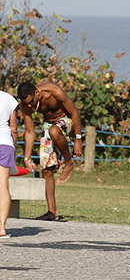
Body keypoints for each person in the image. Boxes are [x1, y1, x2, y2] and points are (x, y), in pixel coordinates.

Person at [17, 81, 82, 221]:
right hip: (49, 125)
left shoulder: (54, 91)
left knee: (54, 130)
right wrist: (27, 157)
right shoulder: (25, 105)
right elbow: (29, 131)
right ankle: (52, 212)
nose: (29, 105)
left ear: (36, 93)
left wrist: (78, 138)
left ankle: (69, 162)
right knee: (46, 169)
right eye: (26, 103)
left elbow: (74, 112)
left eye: (31, 101)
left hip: (67, 120)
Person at [0, 89, 18, 237]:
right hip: (5, 144)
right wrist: (15, 146)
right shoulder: (9, 99)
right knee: (3, 185)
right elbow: (13, 128)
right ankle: (2, 228)